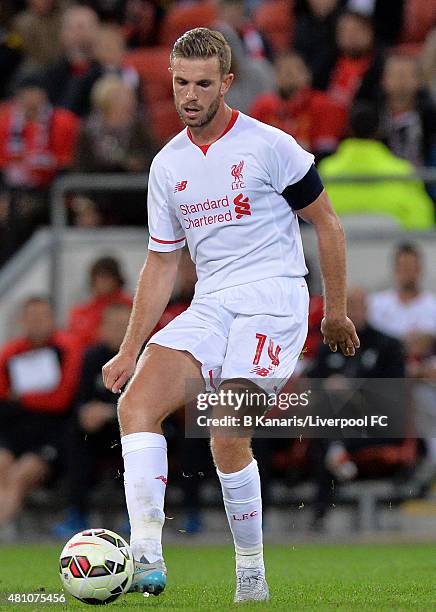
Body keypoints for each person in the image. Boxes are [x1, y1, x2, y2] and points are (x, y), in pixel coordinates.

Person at [102, 28, 359, 602]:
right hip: (212, 300)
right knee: (136, 404)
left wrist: (334, 311)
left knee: (225, 431)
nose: (189, 95)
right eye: (179, 83)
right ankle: (145, 558)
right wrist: (128, 348)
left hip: (274, 300)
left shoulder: (270, 146)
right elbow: (162, 264)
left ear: (227, 83)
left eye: (201, 83)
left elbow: (328, 224)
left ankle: (250, 569)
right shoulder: (167, 165)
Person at [0, 296, 82, 530]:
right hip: (15, 431)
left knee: (18, 475)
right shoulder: (11, 352)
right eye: (32, 317)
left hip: (50, 433)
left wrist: (22, 397)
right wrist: (36, 397)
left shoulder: (67, 348)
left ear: (52, 320)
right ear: (23, 321)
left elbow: (61, 400)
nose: (37, 323)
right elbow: (3, 397)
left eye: (42, 317)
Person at [54, 302, 131, 537]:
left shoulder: (145, 357)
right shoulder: (91, 357)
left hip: (130, 427)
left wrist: (110, 411)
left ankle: (136, 516)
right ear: (102, 329)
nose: (119, 331)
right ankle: (76, 512)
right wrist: (85, 413)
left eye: (124, 326)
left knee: (143, 442)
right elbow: (79, 399)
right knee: (75, 434)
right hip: (97, 431)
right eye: (113, 326)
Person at [319, 102, 435, 229]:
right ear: (379, 132)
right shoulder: (402, 171)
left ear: (348, 130)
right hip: (390, 246)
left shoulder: (326, 172)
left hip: (337, 246)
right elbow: (422, 220)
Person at [249, 51, 346, 159]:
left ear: (308, 75)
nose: (289, 75)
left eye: (296, 70)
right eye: (282, 70)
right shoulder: (263, 106)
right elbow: (252, 148)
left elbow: (327, 151)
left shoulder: (324, 106)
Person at [67, 256, 133, 349]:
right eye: (99, 277)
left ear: (117, 279)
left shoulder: (132, 307)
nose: (103, 282)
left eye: (107, 277)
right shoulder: (83, 311)